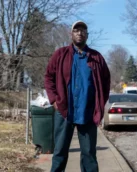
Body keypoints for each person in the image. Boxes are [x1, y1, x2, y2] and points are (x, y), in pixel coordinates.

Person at [44, 20, 111, 172]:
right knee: (60, 151)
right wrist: (54, 100)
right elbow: (48, 77)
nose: (80, 33)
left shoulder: (96, 58)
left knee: (89, 154)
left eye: (83, 31)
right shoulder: (60, 55)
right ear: (71, 34)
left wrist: (99, 103)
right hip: (65, 111)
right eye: (76, 30)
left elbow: (106, 81)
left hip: (87, 112)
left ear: (87, 35)